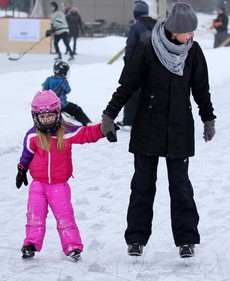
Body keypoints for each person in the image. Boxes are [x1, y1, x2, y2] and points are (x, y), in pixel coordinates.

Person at [100, 2, 216, 259]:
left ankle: (186, 239)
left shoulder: (192, 52)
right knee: (142, 185)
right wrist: (109, 115)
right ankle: (136, 239)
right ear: (175, 30)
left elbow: (200, 89)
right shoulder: (147, 49)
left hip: (179, 128)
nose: (192, 36)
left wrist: (208, 118)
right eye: (189, 31)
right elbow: (127, 86)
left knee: (181, 185)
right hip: (147, 127)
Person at [16, 90, 105, 260]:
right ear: (35, 117)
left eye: (50, 116)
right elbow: (26, 154)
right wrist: (21, 169)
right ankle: (31, 244)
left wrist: (102, 129)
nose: (46, 120)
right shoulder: (33, 135)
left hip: (59, 186)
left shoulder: (66, 132)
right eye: (42, 117)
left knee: (65, 217)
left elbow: (86, 134)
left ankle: (72, 246)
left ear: (57, 114)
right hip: (38, 185)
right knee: (34, 215)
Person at [116, 0, 157, 130]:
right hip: (154, 65)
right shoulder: (156, 26)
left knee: (132, 92)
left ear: (135, 13)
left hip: (138, 65)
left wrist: (128, 64)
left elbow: (130, 47)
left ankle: (128, 121)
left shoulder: (136, 27)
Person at [42, 60, 92, 126]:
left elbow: (44, 91)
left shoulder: (48, 79)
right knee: (77, 110)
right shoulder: (63, 80)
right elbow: (68, 90)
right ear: (63, 71)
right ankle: (88, 124)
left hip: (51, 107)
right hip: (63, 105)